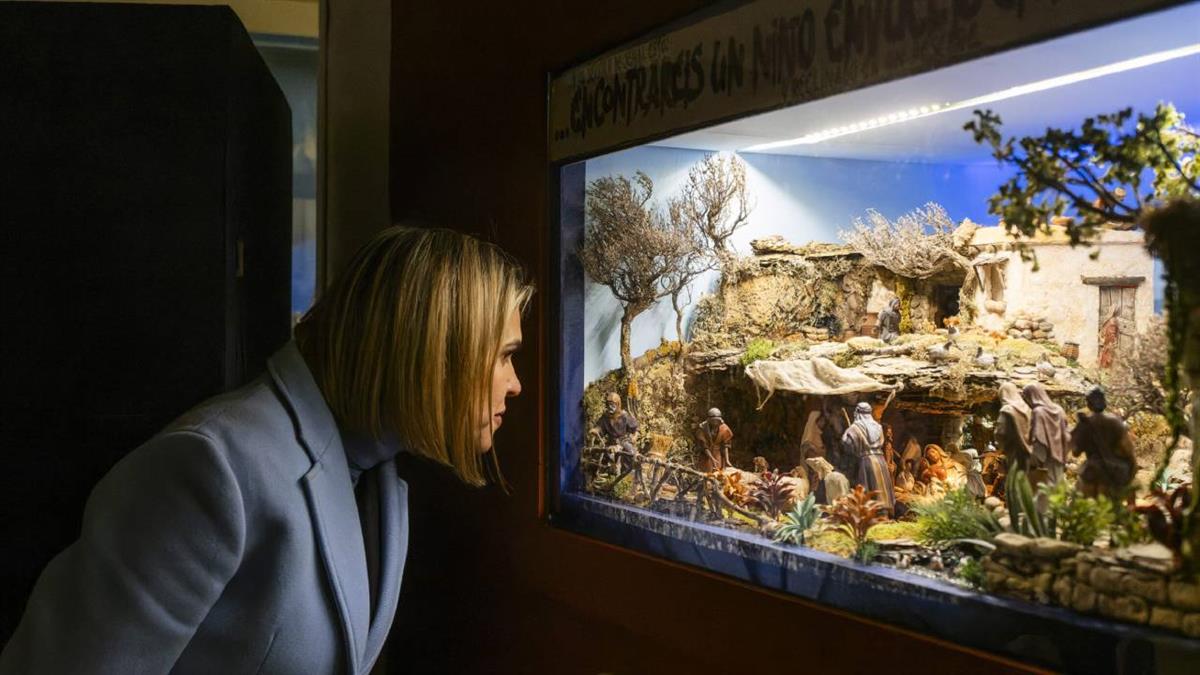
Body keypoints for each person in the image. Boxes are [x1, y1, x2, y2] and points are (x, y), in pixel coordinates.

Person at [0, 226, 533, 674]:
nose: (515, 384)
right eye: (505, 355)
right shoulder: (212, 467)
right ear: (433, 349)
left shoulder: (378, 470)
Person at [1071, 388, 1136, 500]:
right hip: (1114, 475)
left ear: (1089, 404)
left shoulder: (1085, 424)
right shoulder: (1116, 422)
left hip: (1091, 474)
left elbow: (1075, 452)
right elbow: (1128, 451)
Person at [842, 401, 895, 513]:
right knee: (881, 488)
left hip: (866, 461)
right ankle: (883, 513)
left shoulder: (854, 428)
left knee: (869, 489)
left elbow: (847, 444)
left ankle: (872, 516)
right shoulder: (878, 427)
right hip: (880, 460)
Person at [1023, 382, 1071, 487]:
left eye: (1026, 398)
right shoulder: (1059, 410)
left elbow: (1039, 440)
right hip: (1059, 459)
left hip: (1045, 463)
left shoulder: (1038, 412)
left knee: (1045, 494)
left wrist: (1031, 461)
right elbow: (1067, 436)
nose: (1026, 402)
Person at [995, 381, 1032, 473]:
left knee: (1015, 478)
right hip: (1030, 450)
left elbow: (1000, 432)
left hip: (1014, 450)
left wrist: (1000, 446)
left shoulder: (1007, 410)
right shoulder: (1027, 408)